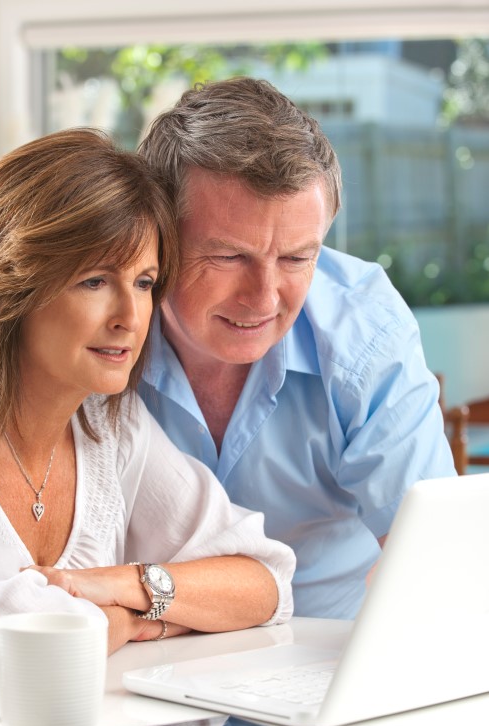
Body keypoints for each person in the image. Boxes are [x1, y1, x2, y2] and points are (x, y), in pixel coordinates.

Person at [0, 127, 295, 723]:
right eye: (95, 281)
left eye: (144, 283)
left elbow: (265, 582)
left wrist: (126, 584)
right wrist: (144, 619)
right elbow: (7, 661)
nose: (130, 316)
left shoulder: (105, 424)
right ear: (12, 283)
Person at [137, 77, 457, 620]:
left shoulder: (366, 332)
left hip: (328, 658)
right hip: (147, 658)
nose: (264, 298)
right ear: (158, 237)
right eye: (229, 257)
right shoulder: (103, 331)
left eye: (295, 259)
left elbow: (432, 555)